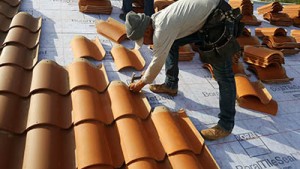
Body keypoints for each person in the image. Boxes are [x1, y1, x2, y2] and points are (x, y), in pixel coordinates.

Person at [125, 0, 242, 141]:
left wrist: (141, 83)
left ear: (147, 30)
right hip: (205, 17)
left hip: (218, 18)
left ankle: (225, 125)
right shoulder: (156, 19)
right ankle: (171, 84)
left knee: (224, 76)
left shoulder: (161, 29)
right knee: (173, 42)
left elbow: (157, 60)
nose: (145, 44)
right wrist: (147, 76)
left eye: (143, 40)